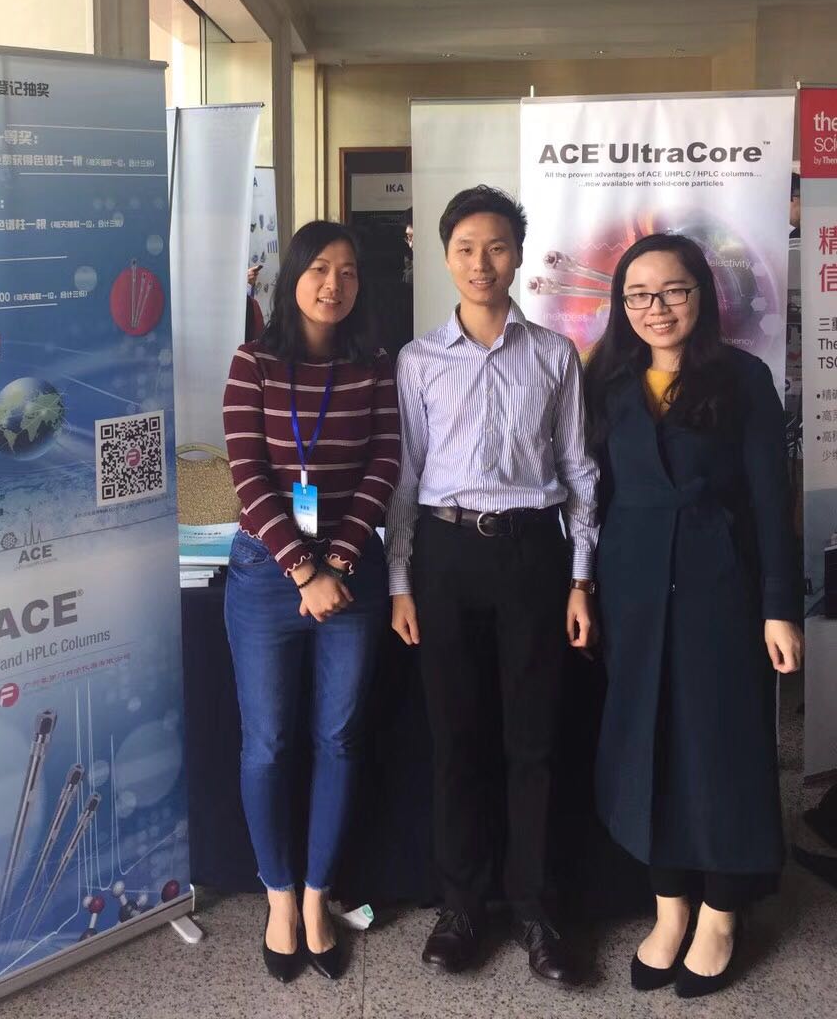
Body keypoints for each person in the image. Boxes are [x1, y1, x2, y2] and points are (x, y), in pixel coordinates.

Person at [386, 185, 597, 987]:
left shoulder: (554, 355)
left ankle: (538, 910)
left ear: (518, 256)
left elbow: (578, 470)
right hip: (444, 557)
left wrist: (581, 577)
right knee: (455, 740)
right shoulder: (418, 360)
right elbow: (405, 477)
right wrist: (400, 579)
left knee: (533, 741)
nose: (482, 263)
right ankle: (463, 906)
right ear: (444, 256)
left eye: (497, 247)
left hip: (532, 555)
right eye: (467, 248)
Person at [584, 233, 804, 999]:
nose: (656, 307)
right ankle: (670, 904)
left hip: (722, 586)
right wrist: (582, 588)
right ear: (622, 305)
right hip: (633, 588)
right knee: (646, 742)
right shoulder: (608, 379)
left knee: (721, 745)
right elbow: (593, 494)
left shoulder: (742, 378)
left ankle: (721, 910)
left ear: (701, 295)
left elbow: (772, 502)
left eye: (673, 290)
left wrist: (780, 608)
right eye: (638, 295)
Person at [222, 220, 400, 982]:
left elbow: (386, 461)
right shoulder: (253, 363)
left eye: (349, 271)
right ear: (292, 276)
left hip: (350, 570)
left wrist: (340, 561)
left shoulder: (374, 365)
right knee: (267, 743)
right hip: (268, 572)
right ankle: (279, 898)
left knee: (339, 738)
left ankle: (319, 896)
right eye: (320, 268)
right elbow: (246, 471)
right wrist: (303, 570)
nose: (334, 284)